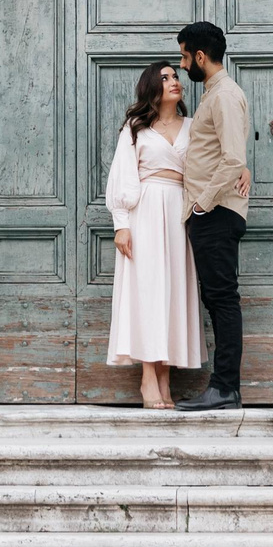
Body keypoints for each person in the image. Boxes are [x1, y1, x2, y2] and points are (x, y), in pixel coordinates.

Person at [104, 60, 204, 409]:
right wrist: (122, 224)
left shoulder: (194, 126)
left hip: (180, 213)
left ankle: (166, 376)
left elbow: (212, 161)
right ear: (152, 86)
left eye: (176, 76)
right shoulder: (136, 127)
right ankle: (149, 377)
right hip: (144, 211)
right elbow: (121, 174)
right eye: (165, 78)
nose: (174, 81)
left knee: (172, 293)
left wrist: (242, 167)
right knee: (147, 292)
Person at [174, 19, 249, 411]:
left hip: (216, 212)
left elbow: (234, 157)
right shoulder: (215, 94)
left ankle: (224, 388)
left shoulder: (223, 96)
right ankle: (223, 387)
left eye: (186, 56)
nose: (183, 65)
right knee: (218, 298)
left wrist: (202, 202)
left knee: (221, 299)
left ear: (201, 56)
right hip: (213, 211)